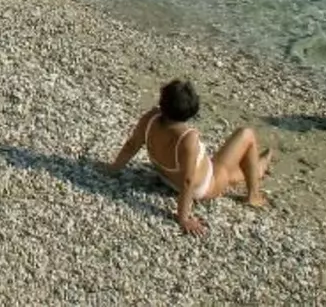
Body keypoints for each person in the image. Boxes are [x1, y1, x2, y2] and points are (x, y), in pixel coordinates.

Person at [105, 79, 271, 237]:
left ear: (162, 102)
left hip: (165, 176)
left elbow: (131, 146)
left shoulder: (150, 118)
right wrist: (183, 218)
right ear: (192, 111)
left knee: (232, 173)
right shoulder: (187, 138)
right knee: (246, 134)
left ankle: (259, 165)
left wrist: (112, 170)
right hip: (206, 186)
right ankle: (253, 196)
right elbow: (188, 181)